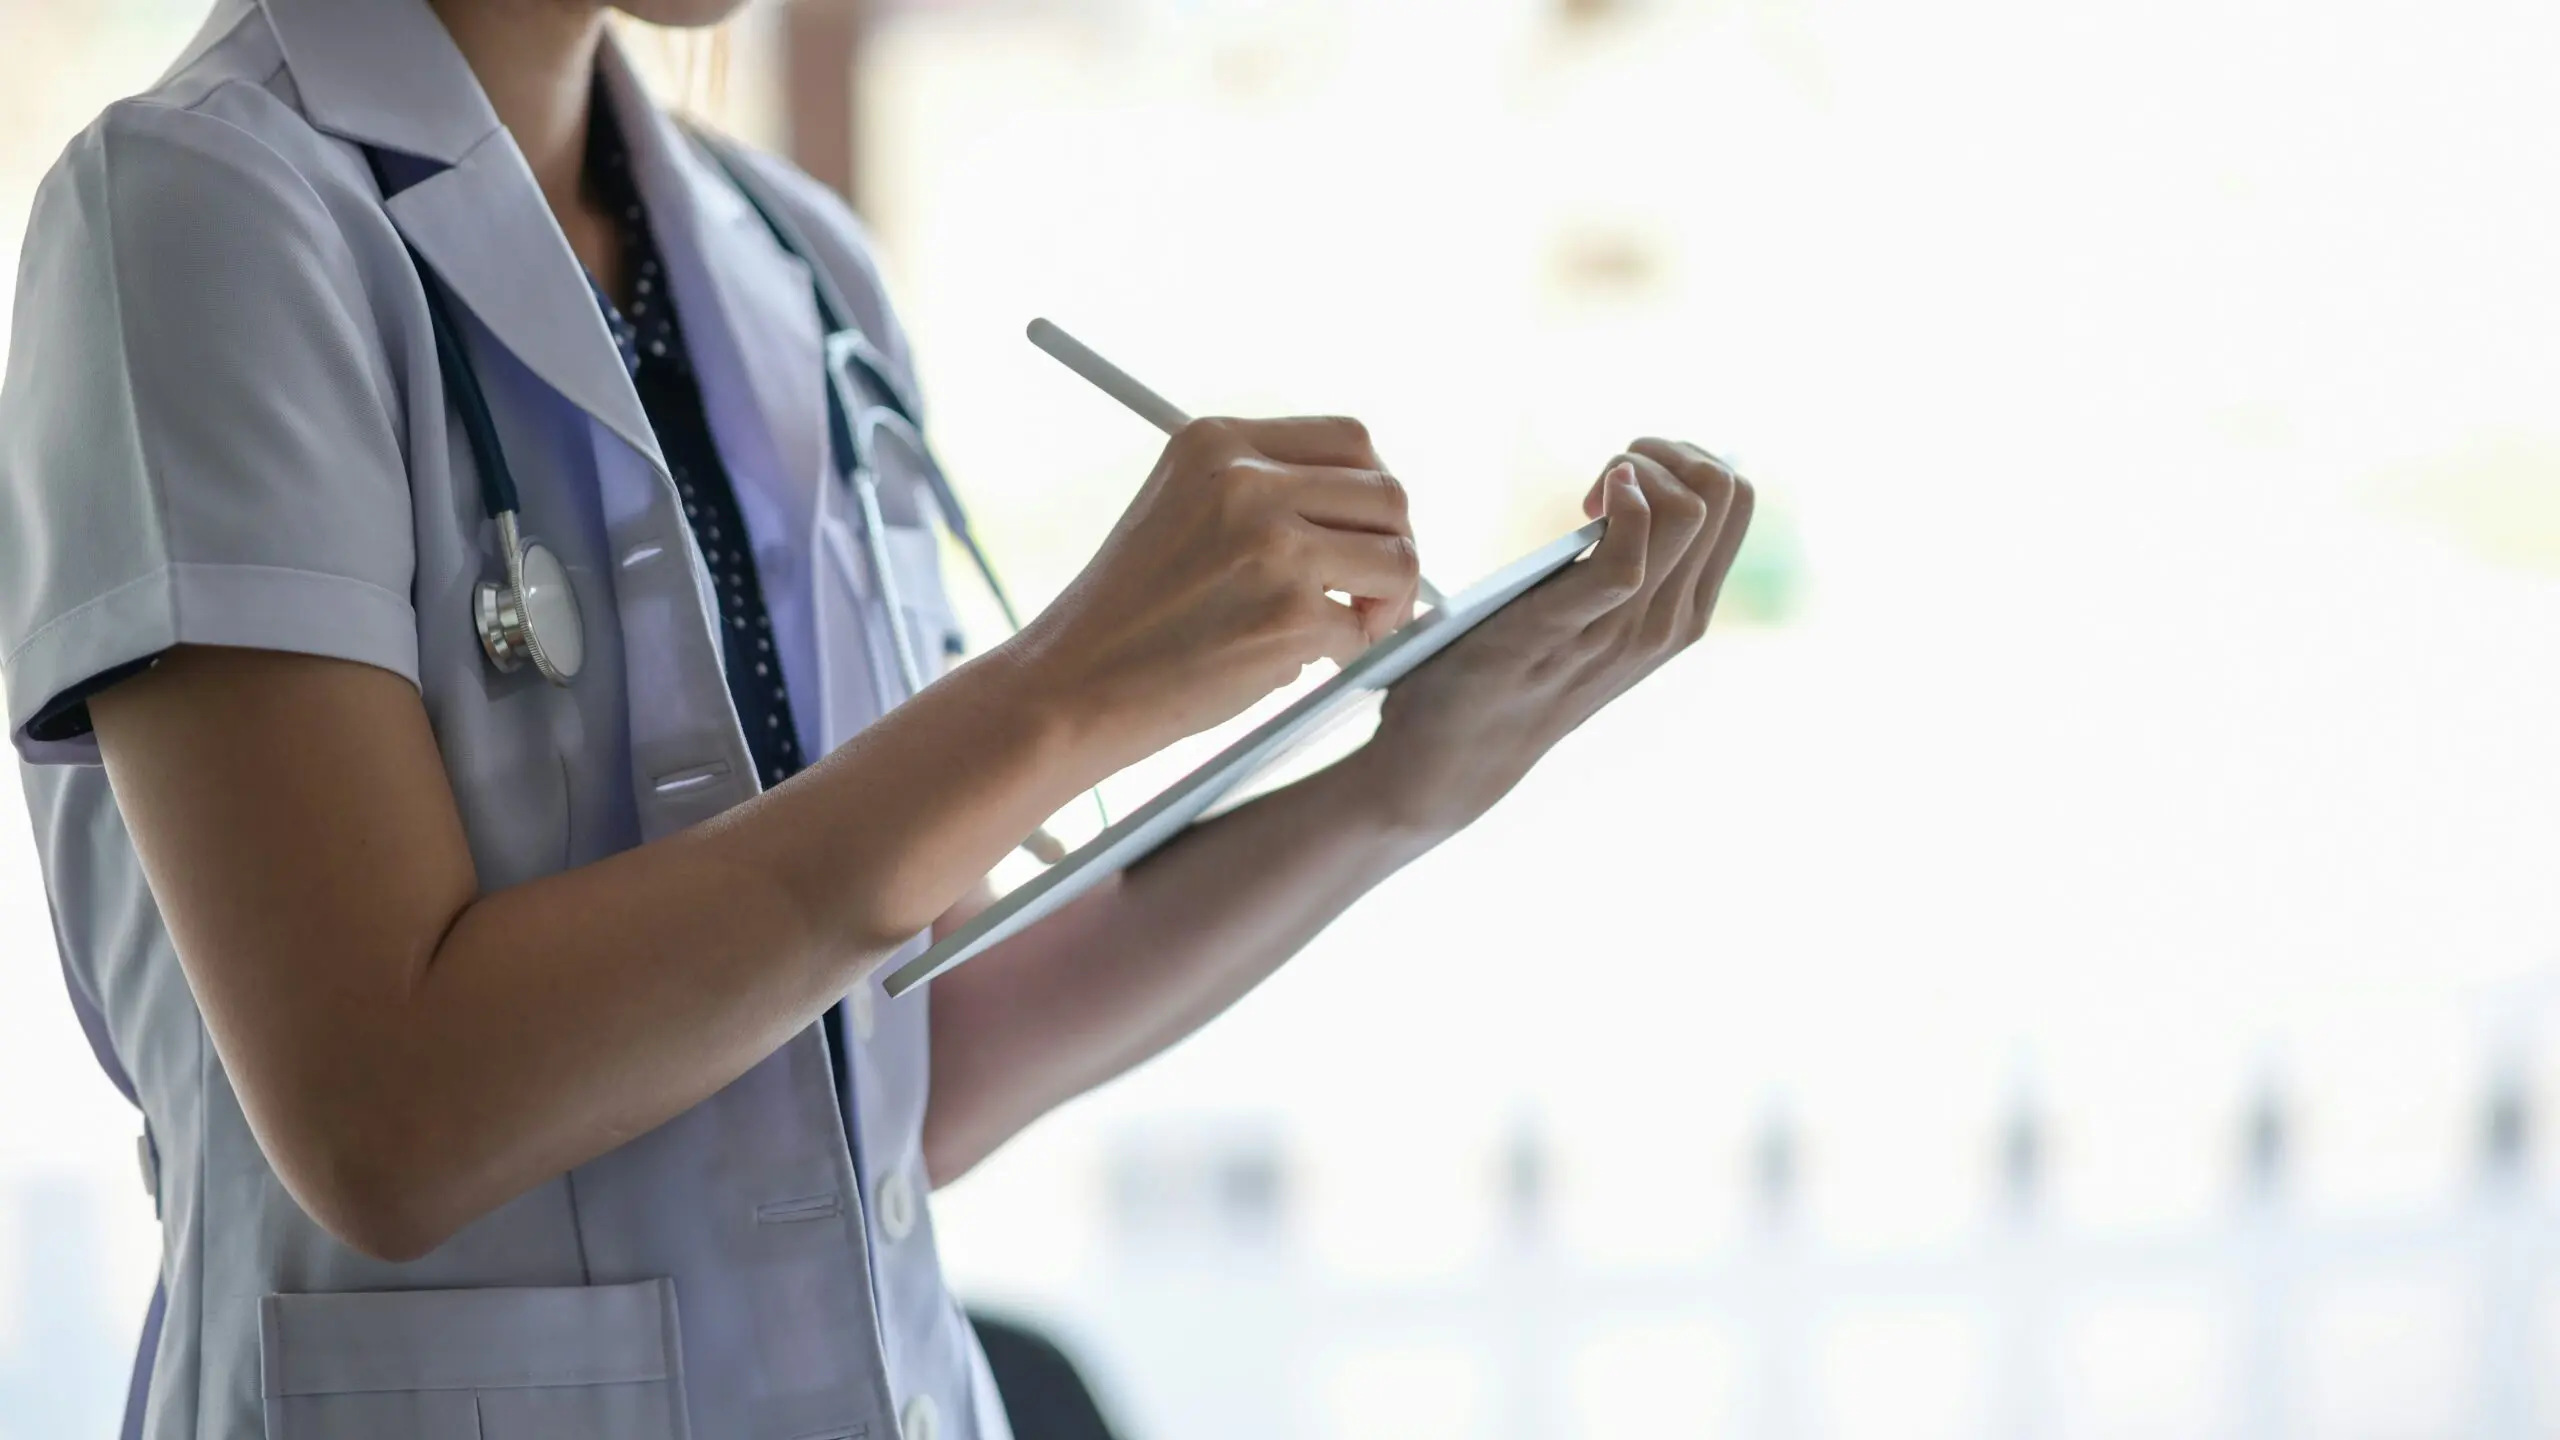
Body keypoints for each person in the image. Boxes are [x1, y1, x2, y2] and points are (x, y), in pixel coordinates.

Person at [0, 1, 1755, 1437]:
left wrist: (1397, 787)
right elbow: (386, 1116)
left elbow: (915, 1064)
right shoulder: (194, 215)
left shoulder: (795, 268)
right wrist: (1068, 691)